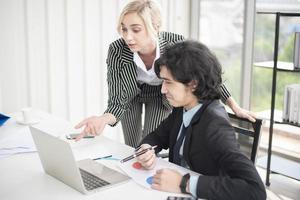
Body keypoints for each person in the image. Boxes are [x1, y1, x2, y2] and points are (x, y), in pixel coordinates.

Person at [75, 0, 256, 147]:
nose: (127, 37)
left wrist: (234, 106)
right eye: (124, 29)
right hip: (131, 97)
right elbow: (117, 99)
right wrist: (103, 119)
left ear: (156, 26)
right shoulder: (117, 50)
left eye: (136, 29)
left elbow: (206, 73)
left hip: (161, 94)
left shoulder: (175, 44)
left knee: (148, 144)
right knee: (131, 146)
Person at [136, 40, 266, 200]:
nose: (163, 89)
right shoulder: (182, 108)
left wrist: (184, 183)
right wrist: (147, 148)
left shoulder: (215, 124)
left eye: (168, 82)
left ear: (193, 84)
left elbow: (255, 190)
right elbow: (158, 136)